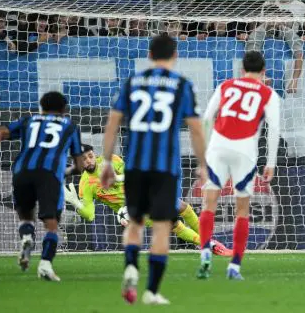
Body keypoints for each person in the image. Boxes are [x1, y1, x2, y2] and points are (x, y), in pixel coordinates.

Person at [101, 35, 207, 305]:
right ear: (175, 55)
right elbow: (195, 128)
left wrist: (105, 162)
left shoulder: (132, 83)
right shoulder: (181, 85)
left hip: (135, 165)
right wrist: (203, 165)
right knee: (161, 229)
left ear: (149, 54)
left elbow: (112, 123)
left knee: (135, 223)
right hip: (165, 167)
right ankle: (151, 291)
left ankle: (130, 266)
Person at [0, 91, 85, 281]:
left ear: (42, 107)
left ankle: (27, 238)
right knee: (51, 222)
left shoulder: (28, 121)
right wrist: (69, 171)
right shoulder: (70, 126)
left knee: (25, 214)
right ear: (64, 110)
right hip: (49, 175)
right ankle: (45, 265)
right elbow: (79, 165)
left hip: (22, 172)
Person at [198, 51, 281, 280]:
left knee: (209, 203)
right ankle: (234, 267)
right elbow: (273, 130)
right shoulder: (268, 93)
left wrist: (206, 151)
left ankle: (205, 252)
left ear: (242, 70)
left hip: (218, 145)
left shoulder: (226, 85)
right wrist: (271, 162)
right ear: (264, 72)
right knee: (242, 210)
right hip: (244, 150)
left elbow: (206, 118)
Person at [62, 144, 231, 256]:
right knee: (172, 224)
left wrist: (119, 178)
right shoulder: (85, 184)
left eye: (90, 156)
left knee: (183, 207)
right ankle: (210, 246)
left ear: (94, 154)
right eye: (83, 159)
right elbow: (90, 215)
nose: (88, 160)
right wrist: (77, 204)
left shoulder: (112, 160)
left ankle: (209, 239)